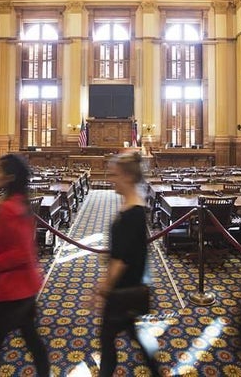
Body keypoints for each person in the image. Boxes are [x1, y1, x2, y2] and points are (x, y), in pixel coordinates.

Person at [0, 154, 49, 377]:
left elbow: (21, 253)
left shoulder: (9, 208)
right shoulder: (20, 202)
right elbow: (6, 240)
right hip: (25, 287)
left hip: (11, 291)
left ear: (9, 177)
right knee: (32, 339)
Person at [96, 152, 160, 377]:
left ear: (126, 176)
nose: (110, 179)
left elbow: (121, 260)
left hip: (121, 290)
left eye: (114, 175)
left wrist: (104, 287)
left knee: (107, 342)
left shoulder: (132, 213)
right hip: (130, 287)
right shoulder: (135, 207)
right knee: (135, 337)